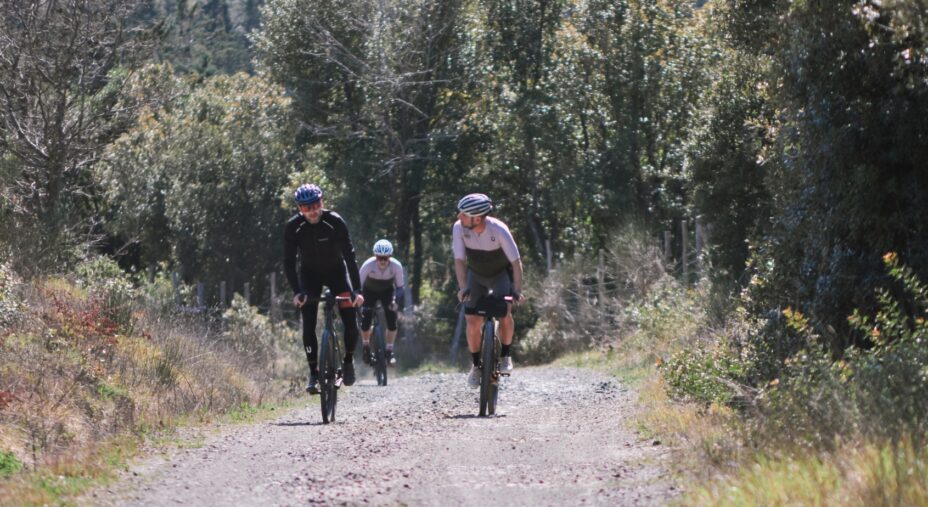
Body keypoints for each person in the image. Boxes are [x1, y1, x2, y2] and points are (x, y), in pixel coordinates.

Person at [284, 183, 364, 394]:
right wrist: (297, 292)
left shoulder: (335, 222)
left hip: (337, 272)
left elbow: (350, 257)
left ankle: (347, 361)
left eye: (316, 205)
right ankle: (313, 372)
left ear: (322, 203)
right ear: (300, 209)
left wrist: (358, 291)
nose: (312, 211)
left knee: (349, 319)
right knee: (308, 322)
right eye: (306, 207)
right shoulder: (294, 227)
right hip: (310, 275)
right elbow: (288, 263)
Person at [451, 193, 526, 389]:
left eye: (464, 214)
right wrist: (462, 287)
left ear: (477, 218)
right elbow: (459, 260)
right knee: (473, 319)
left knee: (504, 312)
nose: (459, 217)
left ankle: (505, 356)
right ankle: (476, 366)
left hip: (501, 274)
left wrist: (517, 291)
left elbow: (516, 263)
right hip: (476, 275)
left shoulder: (498, 229)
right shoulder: (459, 228)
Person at [358, 239, 406, 367]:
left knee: (392, 320)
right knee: (365, 319)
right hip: (369, 292)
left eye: (385, 258)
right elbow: (358, 286)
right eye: (380, 258)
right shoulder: (368, 265)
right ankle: (366, 345)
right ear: (375, 256)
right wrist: (358, 298)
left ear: (390, 257)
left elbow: (400, 288)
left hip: (387, 292)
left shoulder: (396, 266)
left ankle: (389, 350)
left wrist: (396, 302)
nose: (383, 261)